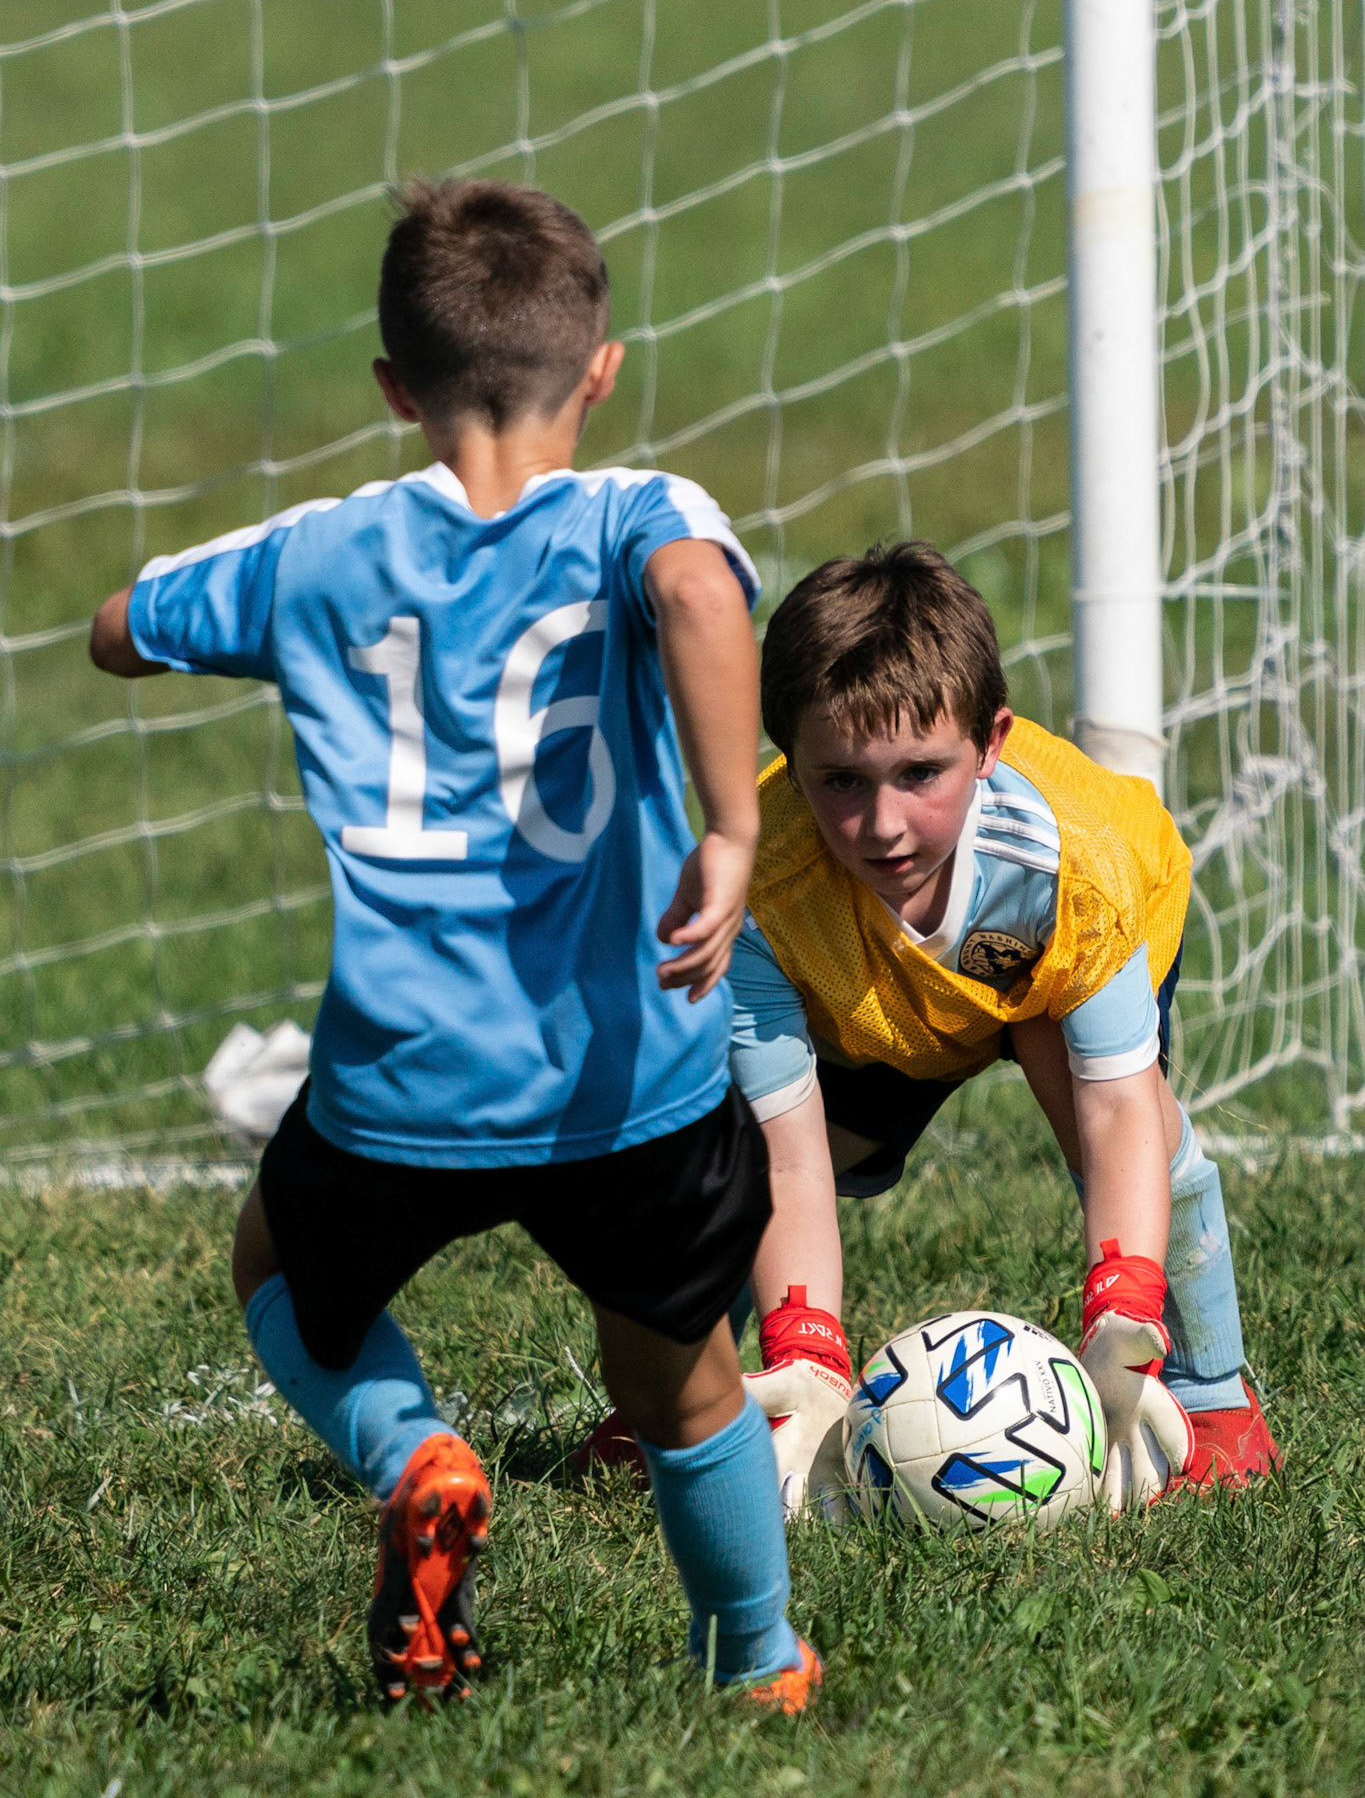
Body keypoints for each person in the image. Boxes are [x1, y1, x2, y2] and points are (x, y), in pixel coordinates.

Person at [89, 178, 819, 1711]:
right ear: (601, 369)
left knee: (278, 1271)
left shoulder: (319, 551)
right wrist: (732, 832)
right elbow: (696, 589)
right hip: (630, 1077)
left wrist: (255, 606)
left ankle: (412, 1453)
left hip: (399, 1088)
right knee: (681, 1385)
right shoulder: (641, 514)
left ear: (393, 390)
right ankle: (756, 1663)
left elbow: (116, 625)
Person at [582, 541, 1280, 1516]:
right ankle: (682, 1396)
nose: (885, 822)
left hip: (1059, 962)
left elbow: (1121, 1113)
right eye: (841, 782)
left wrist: (1124, 1309)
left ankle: (1213, 1398)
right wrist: (812, 1359)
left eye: (921, 772)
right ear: (786, 753)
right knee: (724, 1162)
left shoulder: (1078, 865)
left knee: (1131, 1126)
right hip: (875, 1000)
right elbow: (785, 1159)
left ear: (990, 742)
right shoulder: (763, 894)